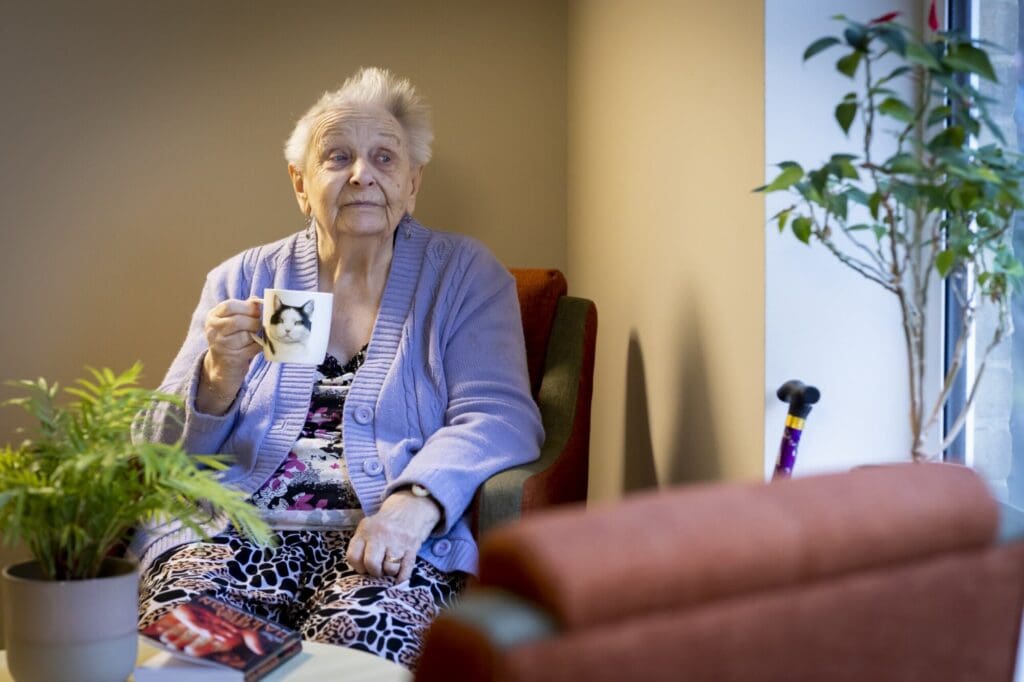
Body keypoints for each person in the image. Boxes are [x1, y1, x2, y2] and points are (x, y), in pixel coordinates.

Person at [131, 67, 544, 668]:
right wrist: (217, 378)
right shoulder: (241, 280)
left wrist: (412, 506)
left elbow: (499, 415)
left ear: (412, 183)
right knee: (186, 661)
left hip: (381, 539)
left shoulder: (464, 276)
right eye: (337, 156)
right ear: (300, 184)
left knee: (357, 655)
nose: (362, 175)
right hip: (229, 531)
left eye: (384, 158)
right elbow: (153, 450)